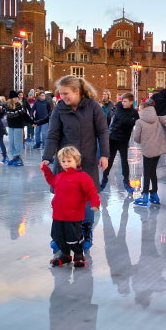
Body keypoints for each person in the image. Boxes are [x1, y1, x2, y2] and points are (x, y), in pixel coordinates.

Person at [42, 75, 109, 254]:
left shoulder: (93, 107)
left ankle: (86, 232)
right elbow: (53, 134)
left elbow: (103, 132)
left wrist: (104, 155)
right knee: (63, 199)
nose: (62, 97)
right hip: (65, 163)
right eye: (60, 94)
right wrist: (47, 156)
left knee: (87, 198)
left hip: (86, 162)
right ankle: (59, 235)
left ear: (77, 91)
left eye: (66, 93)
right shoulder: (59, 109)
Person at [41, 146, 101, 267]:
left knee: (73, 237)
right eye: (63, 161)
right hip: (58, 214)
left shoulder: (82, 177)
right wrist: (46, 170)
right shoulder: (60, 176)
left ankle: (78, 255)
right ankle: (65, 255)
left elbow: (91, 191)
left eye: (69, 161)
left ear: (76, 161)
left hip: (73, 215)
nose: (66, 164)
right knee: (58, 236)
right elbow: (52, 182)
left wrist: (95, 203)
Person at [131, 98, 166, 206]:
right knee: (153, 171)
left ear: (143, 110)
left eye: (139, 110)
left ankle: (145, 196)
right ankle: (154, 193)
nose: (138, 111)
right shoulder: (157, 118)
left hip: (148, 150)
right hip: (158, 149)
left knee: (147, 172)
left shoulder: (139, 122)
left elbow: (136, 138)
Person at [101, 92, 139, 193]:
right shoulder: (118, 108)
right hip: (113, 138)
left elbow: (136, 122)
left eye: (125, 101)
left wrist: (131, 120)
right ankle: (104, 179)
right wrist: (131, 120)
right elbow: (125, 120)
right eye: (122, 101)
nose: (123, 103)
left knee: (124, 161)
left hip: (123, 140)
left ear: (131, 102)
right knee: (110, 160)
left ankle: (126, 181)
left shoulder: (134, 113)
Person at [5, 90, 30, 167]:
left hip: (18, 126)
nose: (17, 99)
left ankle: (18, 157)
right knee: (11, 142)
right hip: (11, 126)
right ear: (11, 98)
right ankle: (13, 157)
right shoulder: (6, 105)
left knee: (17, 141)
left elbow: (24, 115)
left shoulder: (19, 105)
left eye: (17, 97)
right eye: (15, 97)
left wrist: (32, 122)